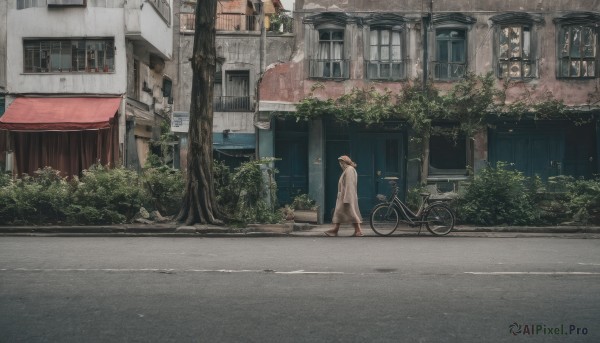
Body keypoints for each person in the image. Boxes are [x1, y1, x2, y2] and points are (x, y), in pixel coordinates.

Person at [325, 155, 364, 237]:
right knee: (342, 213)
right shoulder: (347, 170)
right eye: (340, 162)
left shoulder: (349, 170)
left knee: (349, 213)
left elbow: (349, 184)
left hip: (346, 196)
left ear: (345, 162)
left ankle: (357, 231)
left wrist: (347, 197)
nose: (340, 164)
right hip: (344, 196)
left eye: (342, 162)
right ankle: (336, 229)